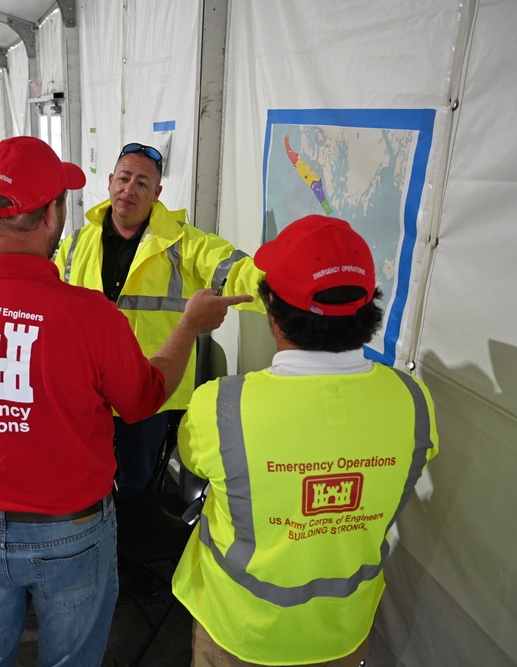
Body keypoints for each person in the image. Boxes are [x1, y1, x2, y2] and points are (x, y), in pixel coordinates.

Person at [0, 136, 250, 666]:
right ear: (53, 214)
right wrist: (189, 327)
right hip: (70, 534)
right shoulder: (90, 316)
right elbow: (144, 398)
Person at [172, 215, 440, 667]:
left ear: (272, 310)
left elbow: (194, 463)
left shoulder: (221, 405)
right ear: (368, 306)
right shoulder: (414, 401)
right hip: (342, 633)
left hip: (238, 633)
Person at [54, 142, 267, 500]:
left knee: (136, 489)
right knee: (83, 480)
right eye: (124, 178)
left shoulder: (184, 243)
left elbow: (237, 268)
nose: (129, 189)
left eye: (141, 183)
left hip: (150, 389)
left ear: (157, 194)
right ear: (109, 182)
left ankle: (127, 550)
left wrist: (288, 289)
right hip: (85, 389)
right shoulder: (75, 244)